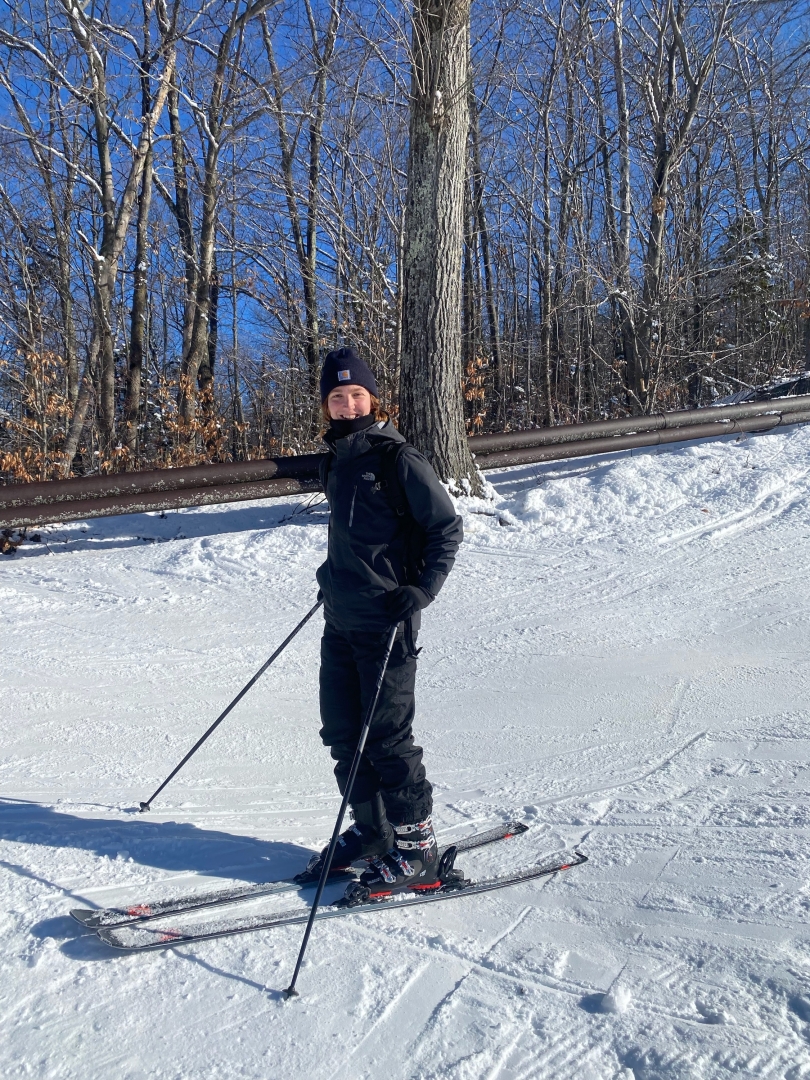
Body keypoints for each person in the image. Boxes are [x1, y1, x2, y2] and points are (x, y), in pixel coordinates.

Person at [299, 346, 463, 897]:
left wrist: (421, 589)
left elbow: (445, 529)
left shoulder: (398, 459)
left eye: (357, 395)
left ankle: (418, 852)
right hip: (340, 618)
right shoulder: (335, 459)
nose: (348, 405)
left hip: (388, 621)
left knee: (389, 737)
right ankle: (373, 834)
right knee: (343, 734)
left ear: (373, 398)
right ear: (326, 404)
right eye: (337, 397)